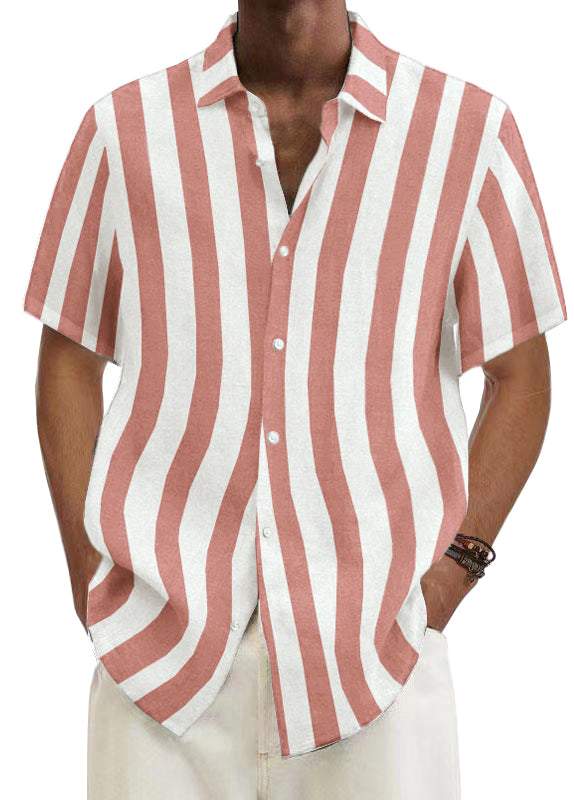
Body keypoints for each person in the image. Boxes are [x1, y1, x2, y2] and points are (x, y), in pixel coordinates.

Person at [24, 2, 566, 798]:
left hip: (377, 665)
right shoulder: (124, 131)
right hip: (158, 667)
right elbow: (68, 360)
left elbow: (521, 375)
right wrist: (93, 583)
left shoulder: (467, 131)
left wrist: (449, 578)